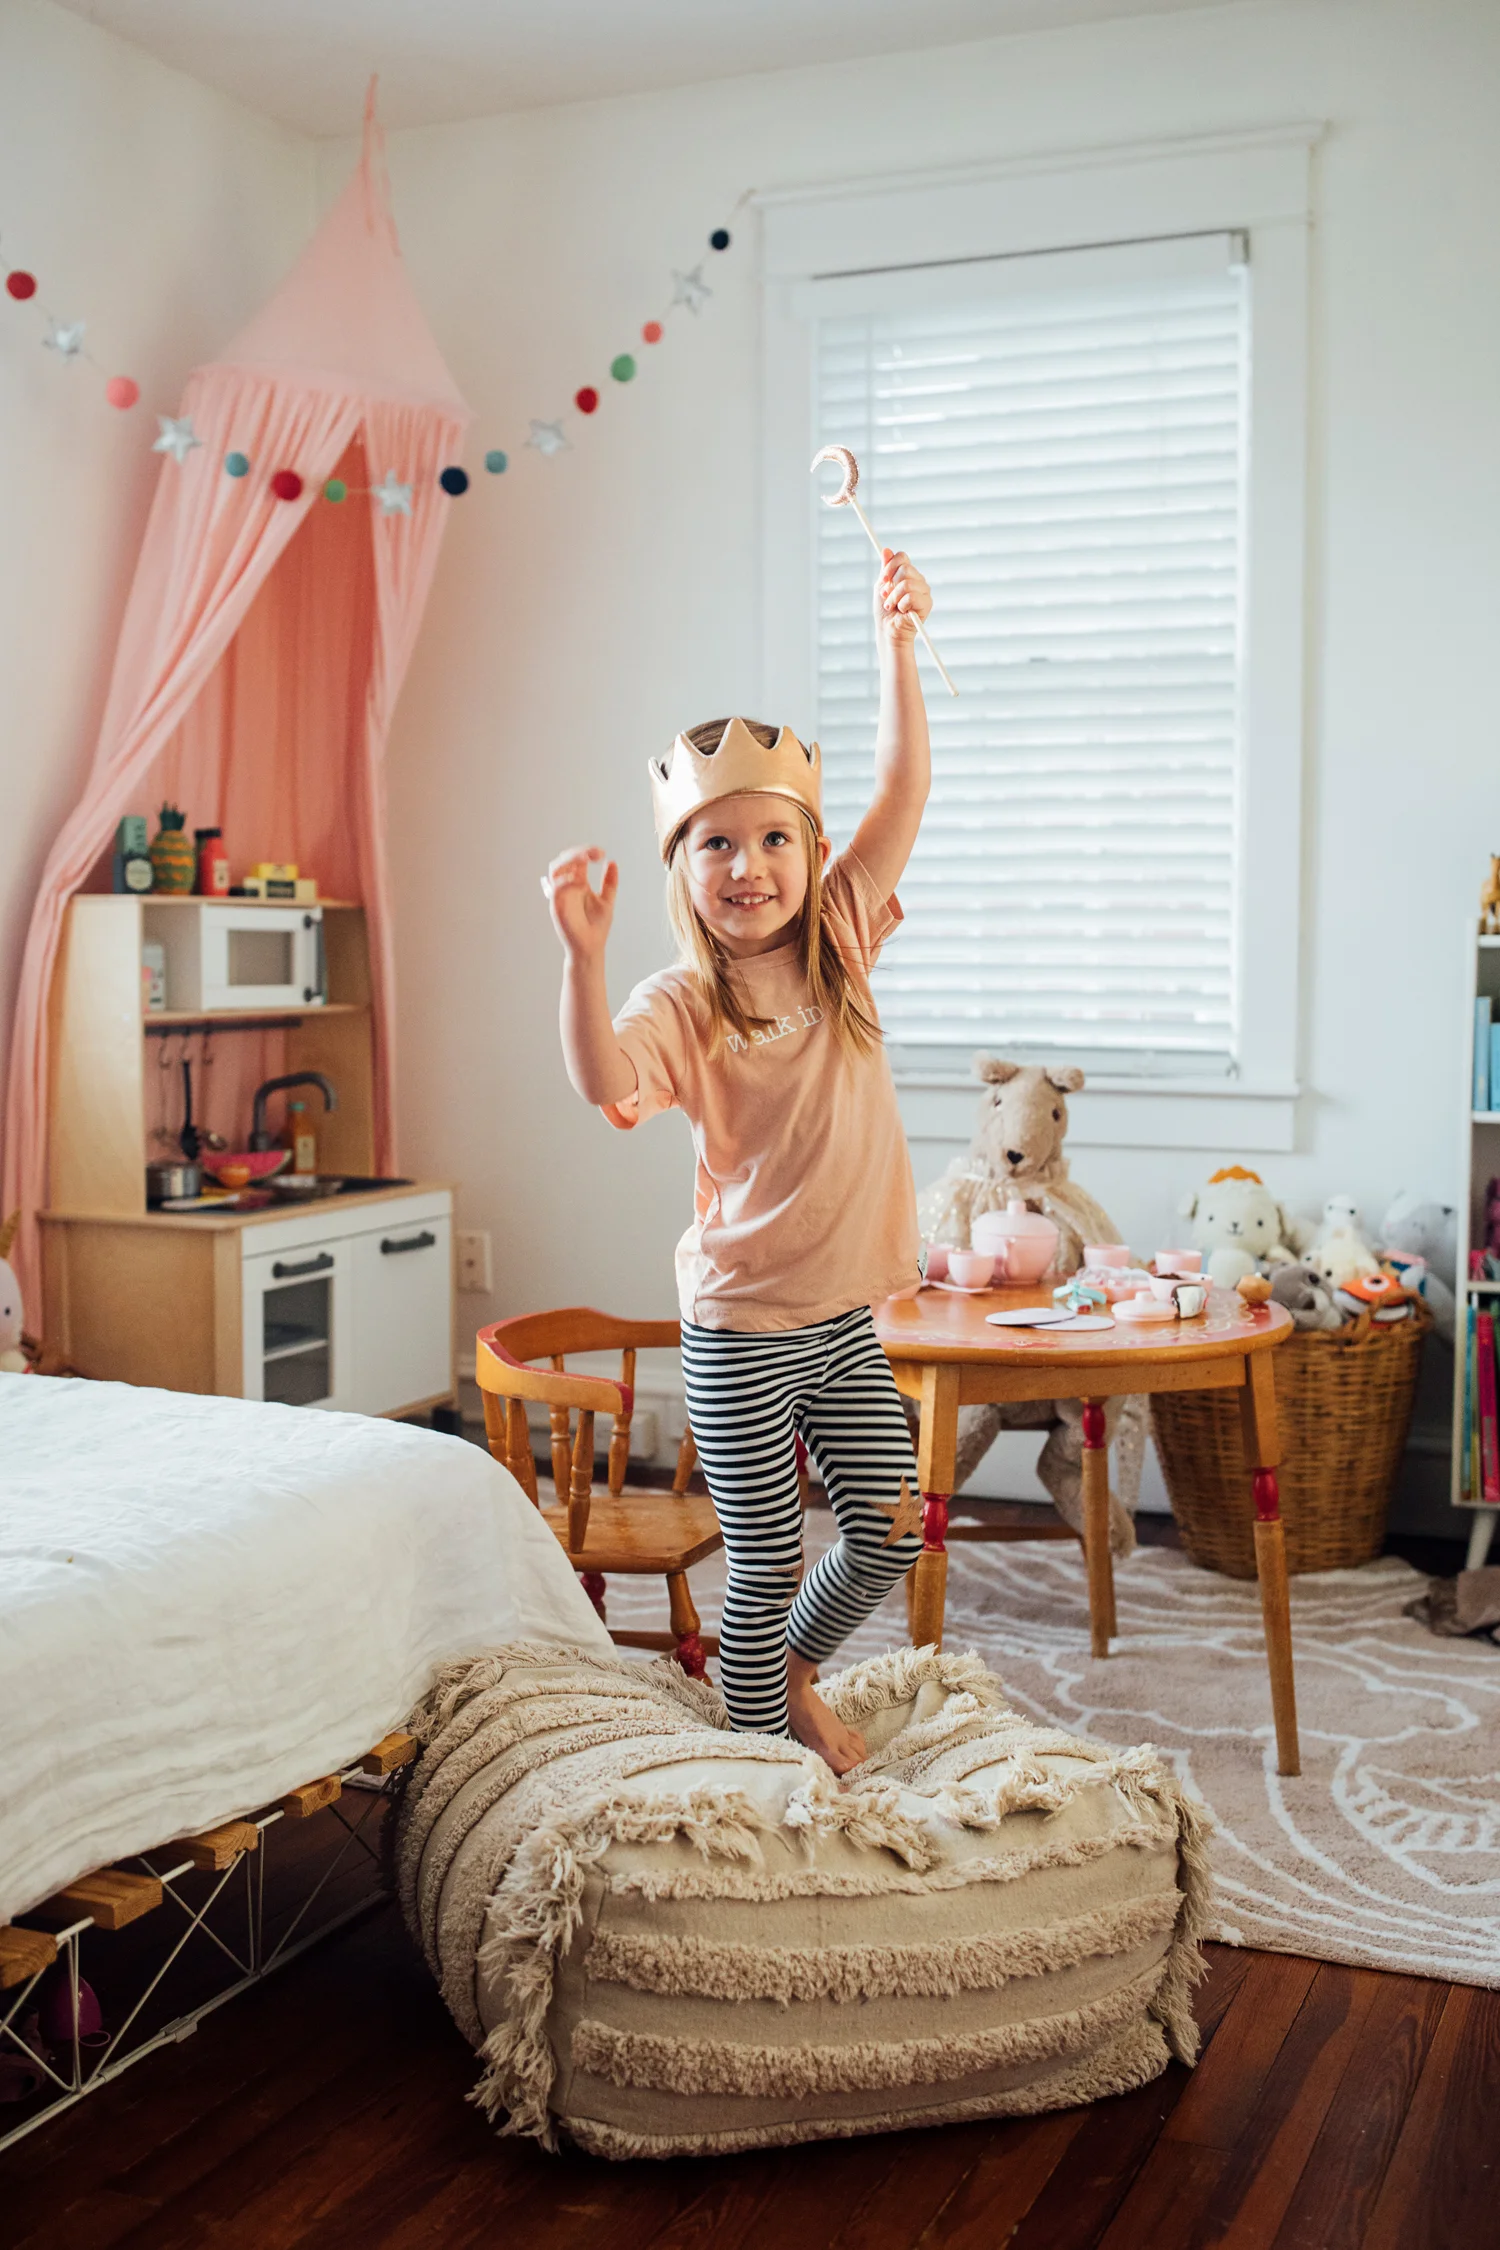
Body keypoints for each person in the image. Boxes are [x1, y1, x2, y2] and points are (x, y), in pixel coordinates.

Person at [543, 547, 933, 1773]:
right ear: (683, 867)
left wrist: (896, 646)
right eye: (717, 845)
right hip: (741, 1329)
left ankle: (782, 1675)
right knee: (762, 1560)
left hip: (841, 1320)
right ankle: (761, 1755)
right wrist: (582, 960)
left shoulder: (844, 939)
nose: (749, 866)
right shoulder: (681, 1002)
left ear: (812, 852)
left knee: (891, 1529)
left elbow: (903, 787)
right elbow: (604, 1081)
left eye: (773, 839)